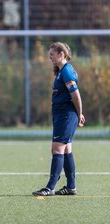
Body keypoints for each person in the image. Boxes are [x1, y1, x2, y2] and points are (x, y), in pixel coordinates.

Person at [33, 42, 85, 196]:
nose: (50, 58)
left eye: (52, 55)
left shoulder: (67, 71)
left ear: (61, 54)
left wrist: (79, 113)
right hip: (62, 115)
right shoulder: (62, 71)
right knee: (67, 148)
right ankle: (71, 187)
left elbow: (76, 96)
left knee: (57, 148)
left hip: (66, 115)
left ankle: (50, 187)